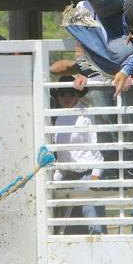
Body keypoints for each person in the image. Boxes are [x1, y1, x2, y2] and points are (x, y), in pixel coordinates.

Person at [51, 75, 105, 235]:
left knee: (92, 220)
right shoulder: (58, 118)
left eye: (71, 93)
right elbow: (60, 153)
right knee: (64, 226)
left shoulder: (86, 115)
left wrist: (95, 177)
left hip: (86, 175)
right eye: (63, 94)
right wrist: (56, 177)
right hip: (66, 176)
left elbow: (96, 149)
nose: (67, 97)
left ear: (78, 95)